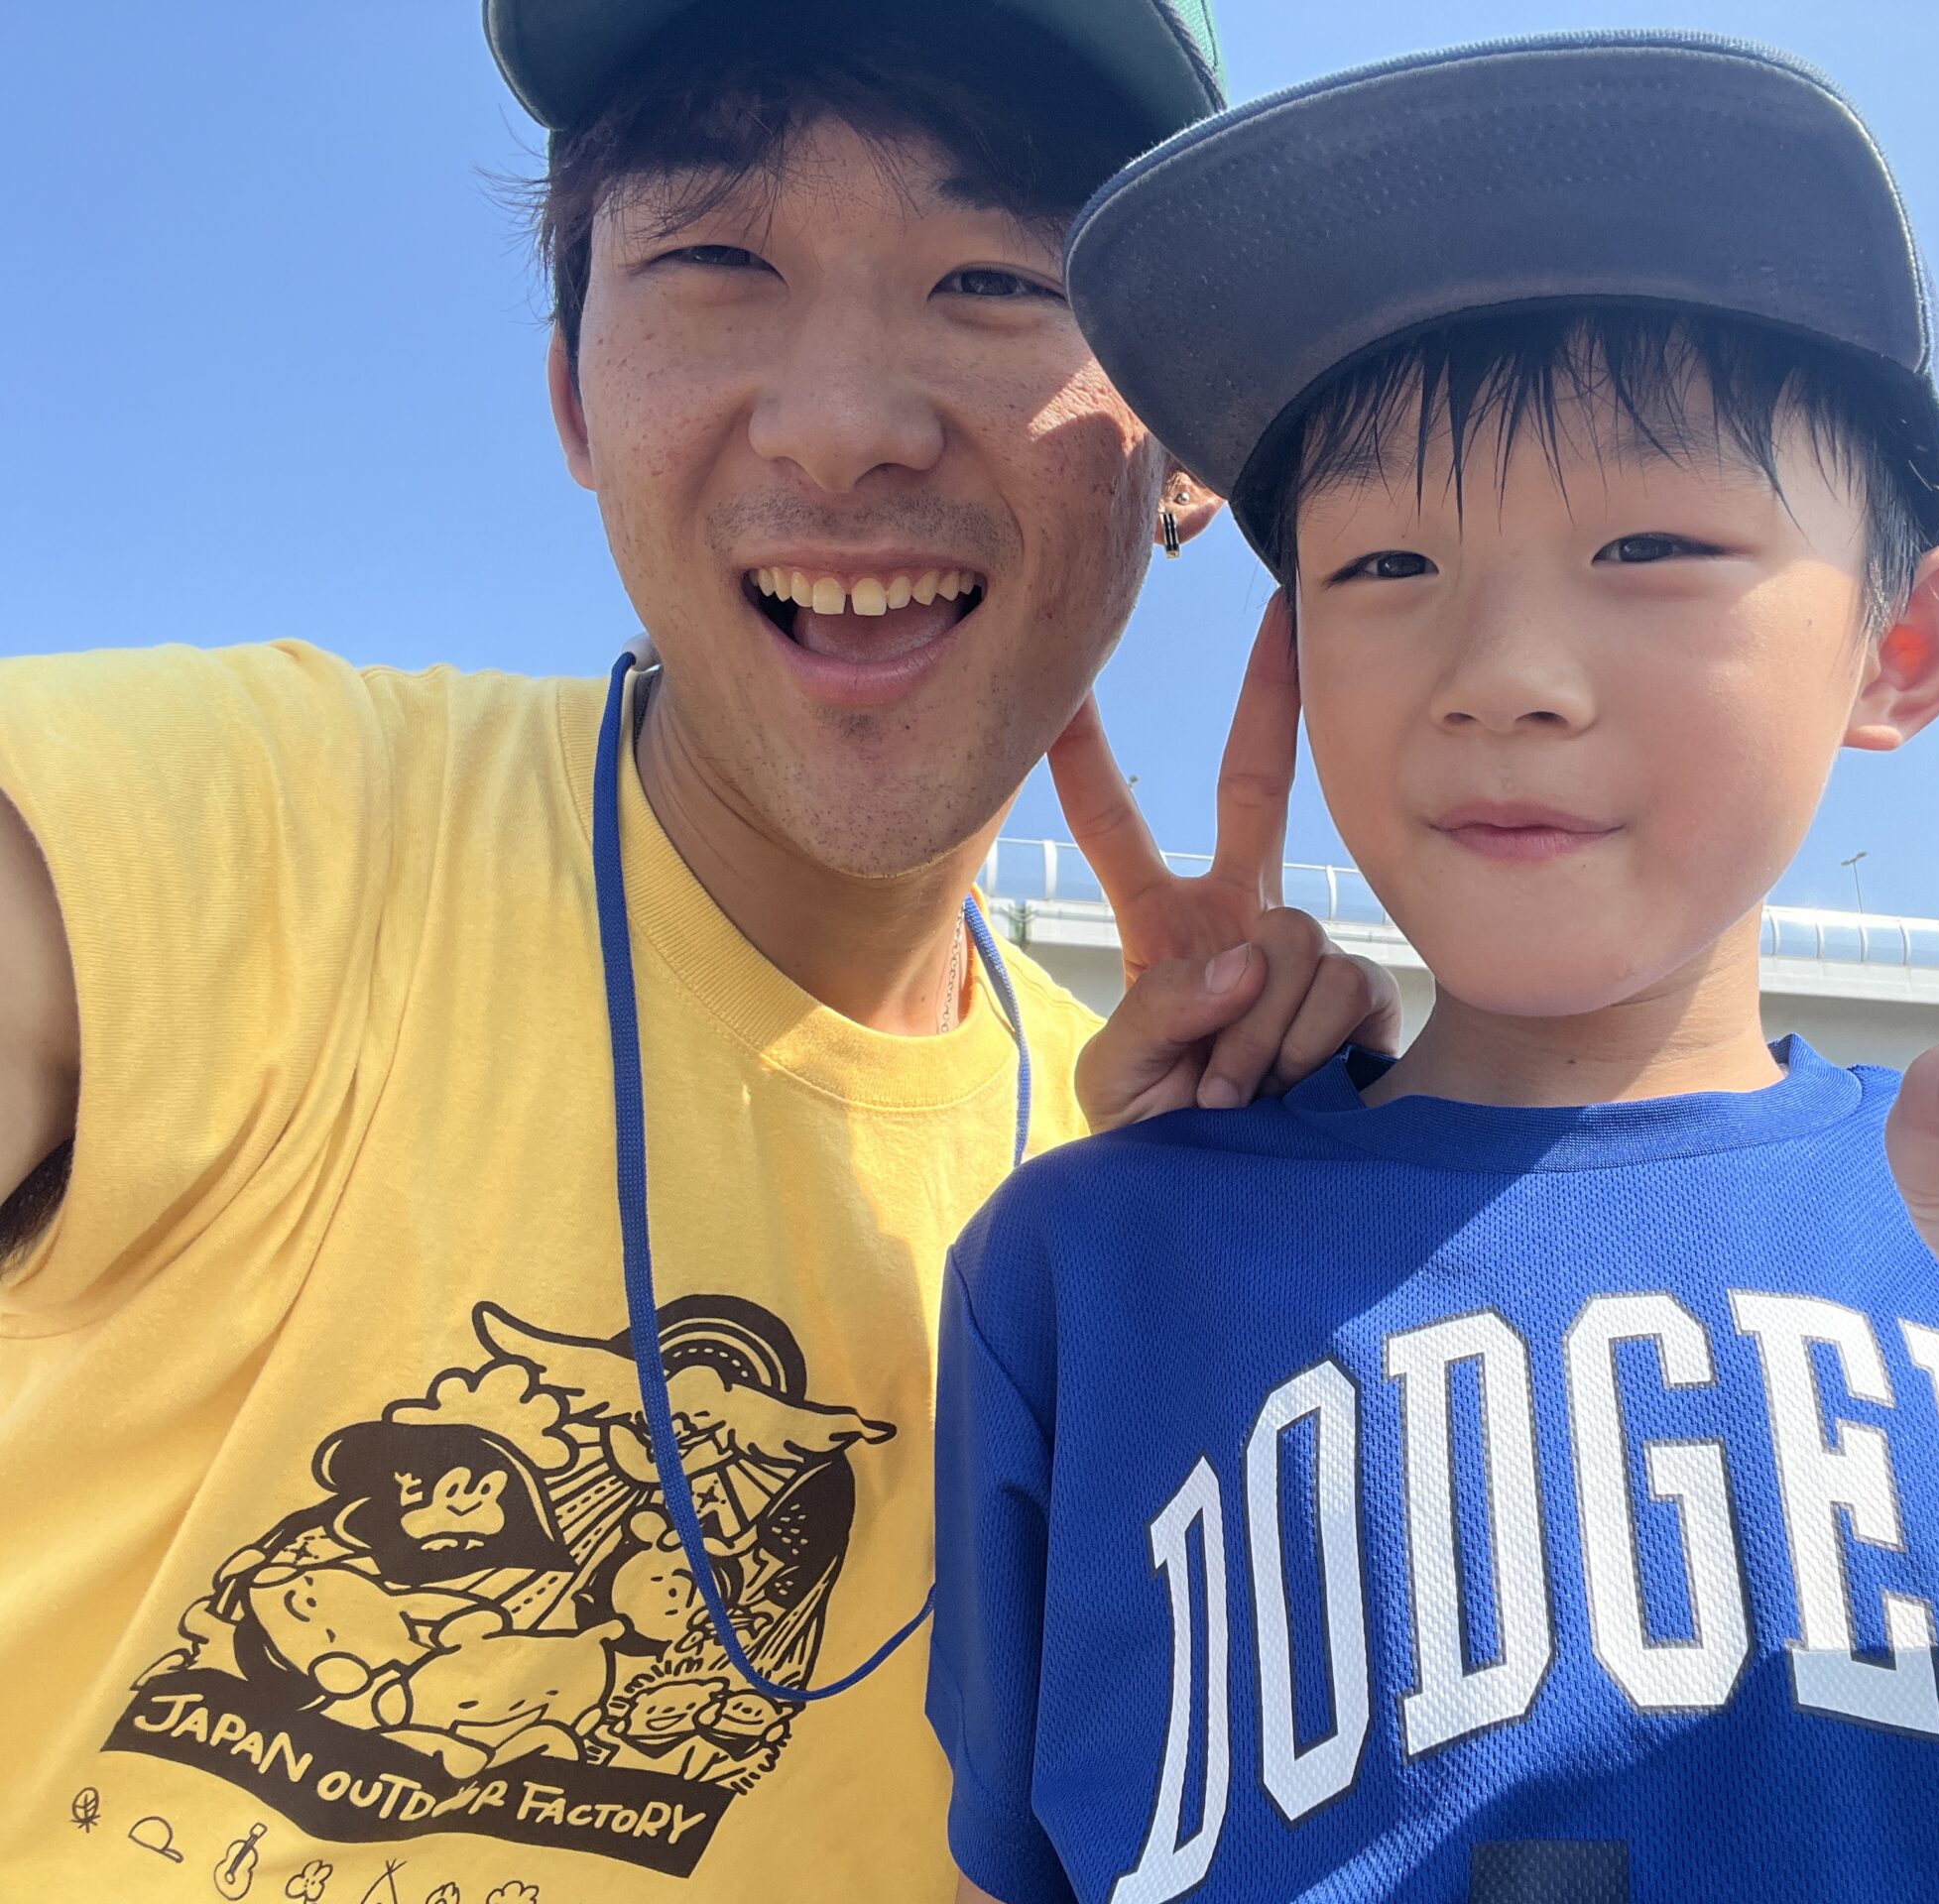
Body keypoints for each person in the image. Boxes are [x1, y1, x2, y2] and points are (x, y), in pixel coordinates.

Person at [927, 33, 1939, 1904]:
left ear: (1895, 654)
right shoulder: (1082, 1266)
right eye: (1385, 566)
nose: (1504, 672)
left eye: (1652, 542)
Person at [0, 2, 1399, 1897]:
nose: (842, 425)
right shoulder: (254, 843)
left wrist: (1281, 1225)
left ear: (1186, 449)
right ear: (574, 392)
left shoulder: (1134, 1189)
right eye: (719, 260)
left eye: (997, 277)